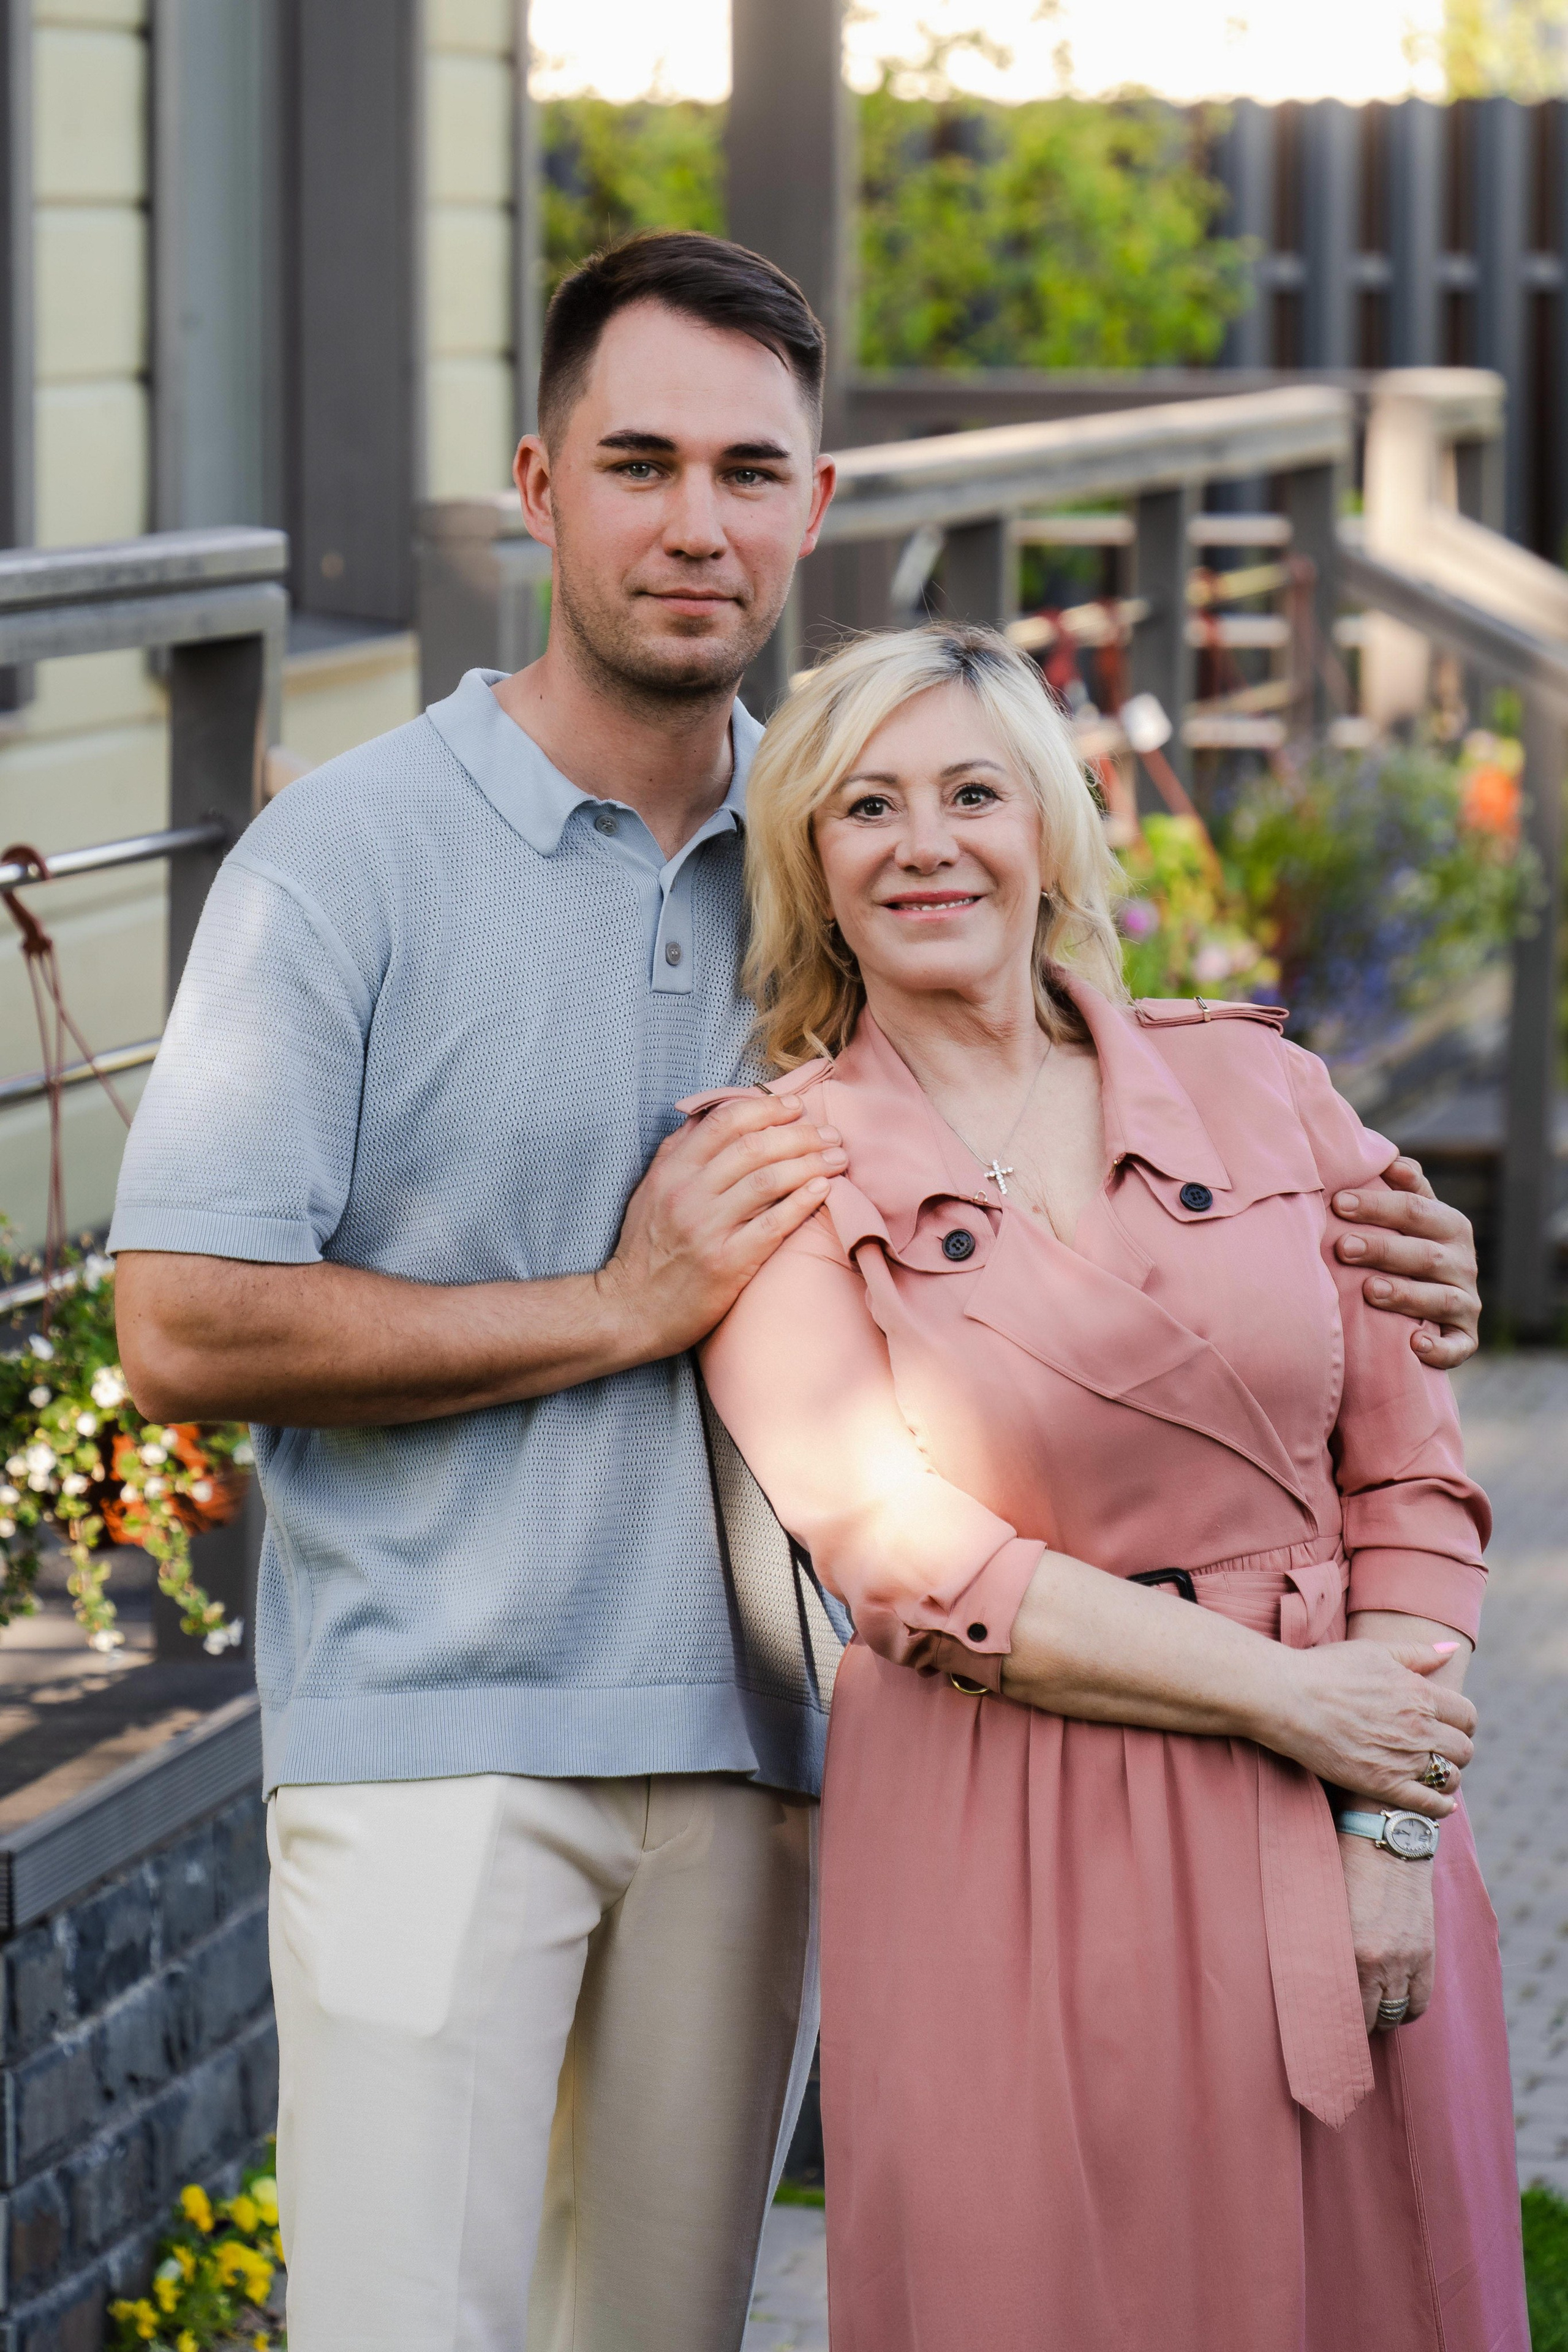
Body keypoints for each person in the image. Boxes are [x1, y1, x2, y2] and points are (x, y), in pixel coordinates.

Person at [105, 232, 1485, 2352]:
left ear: (814, 505)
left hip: (769, 1751)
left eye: (749, 470)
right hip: (439, 1736)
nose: (695, 522)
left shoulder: (857, 829)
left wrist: (1371, 1246)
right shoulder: (351, 859)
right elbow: (183, 1324)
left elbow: (1118, 1149)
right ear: (537, 485)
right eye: (637, 461)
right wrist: (617, 1300)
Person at [696, 623, 1526, 2352]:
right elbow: (915, 1559)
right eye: (867, 808)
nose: (926, 845)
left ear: (1055, 836)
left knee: (1380, 2288)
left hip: (1349, 1815)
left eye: (973, 793)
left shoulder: (1269, 1090)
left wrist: (1386, 1820)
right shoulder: (772, 1168)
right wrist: (1306, 1705)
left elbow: (1417, 1485)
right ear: (810, 869)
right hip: (1012, 1825)